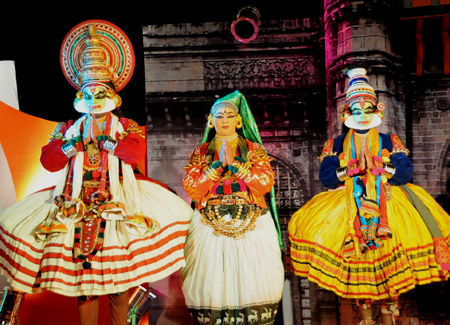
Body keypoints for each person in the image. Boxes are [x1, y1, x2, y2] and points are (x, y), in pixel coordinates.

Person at [0, 20, 192, 325]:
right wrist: (70, 148)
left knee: (119, 284)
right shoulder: (66, 129)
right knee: (85, 285)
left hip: (118, 201)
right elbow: (49, 162)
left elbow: (133, 153)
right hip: (74, 204)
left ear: (113, 96)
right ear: (79, 96)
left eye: (99, 92)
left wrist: (109, 143)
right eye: (87, 93)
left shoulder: (125, 126)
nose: (93, 99)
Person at [288, 68, 450, 325]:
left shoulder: (389, 139)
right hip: (349, 206)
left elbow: (404, 172)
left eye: (367, 110)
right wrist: (351, 169)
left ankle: (390, 319)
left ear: (378, 111)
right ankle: (365, 319)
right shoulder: (337, 144)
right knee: (358, 276)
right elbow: (327, 177)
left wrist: (380, 168)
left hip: (389, 204)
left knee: (391, 276)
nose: (362, 116)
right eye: (356, 111)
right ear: (346, 114)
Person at [181, 90, 284, 324]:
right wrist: (216, 167)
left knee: (255, 279)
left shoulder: (253, 150)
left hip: (252, 223)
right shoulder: (201, 153)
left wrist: (238, 166)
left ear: (239, 120)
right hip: (209, 224)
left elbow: (264, 184)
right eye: (219, 116)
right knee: (209, 280)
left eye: (229, 115)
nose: (224, 120)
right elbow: (193, 188)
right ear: (210, 120)